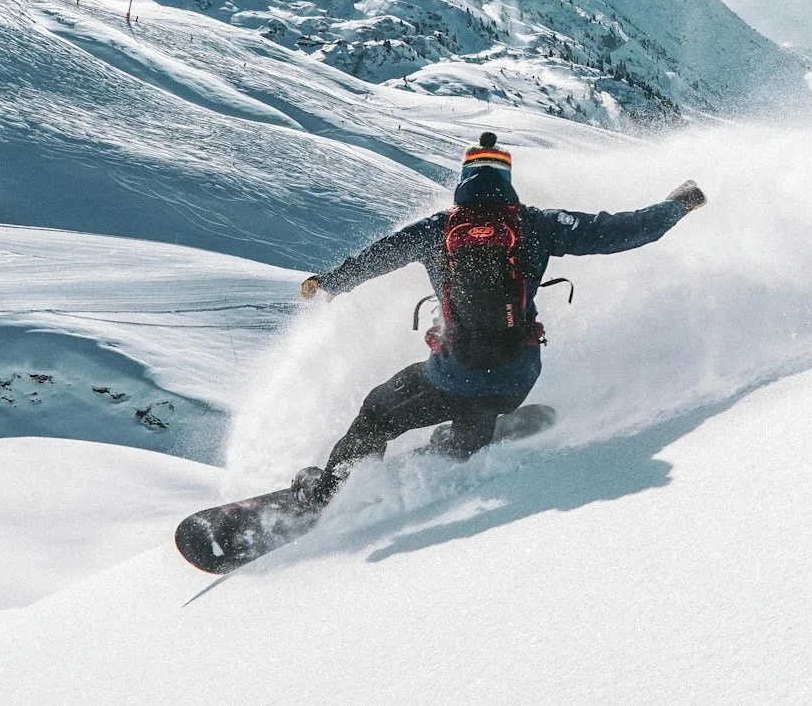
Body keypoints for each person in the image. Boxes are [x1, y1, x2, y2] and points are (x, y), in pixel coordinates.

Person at [286, 131, 705, 510]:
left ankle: (329, 496)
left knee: (378, 412)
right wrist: (678, 205)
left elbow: (377, 257)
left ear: (464, 180)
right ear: (506, 179)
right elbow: (620, 231)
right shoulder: (538, 225)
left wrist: (329, 281)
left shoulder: (437, 230)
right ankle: (467, 438)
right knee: (477, 404)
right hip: (517, 379)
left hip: (453, 376)